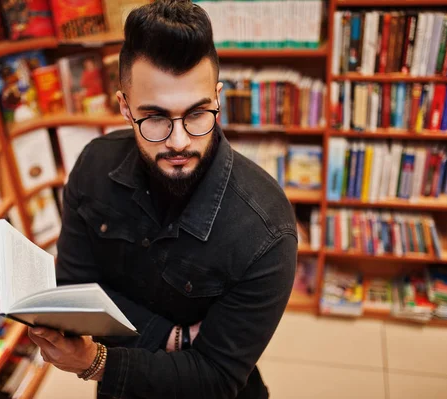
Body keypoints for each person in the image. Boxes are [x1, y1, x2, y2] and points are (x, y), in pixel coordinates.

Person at [26, 1, 297, 398]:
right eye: (154, 117)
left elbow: (215, 377)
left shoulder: (266, 230)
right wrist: (175, 338)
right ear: (124, 107)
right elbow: (75, 287)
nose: (179, 141)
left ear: (218, 99)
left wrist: (95, 361)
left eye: (198, 113)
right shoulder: (93, 167)